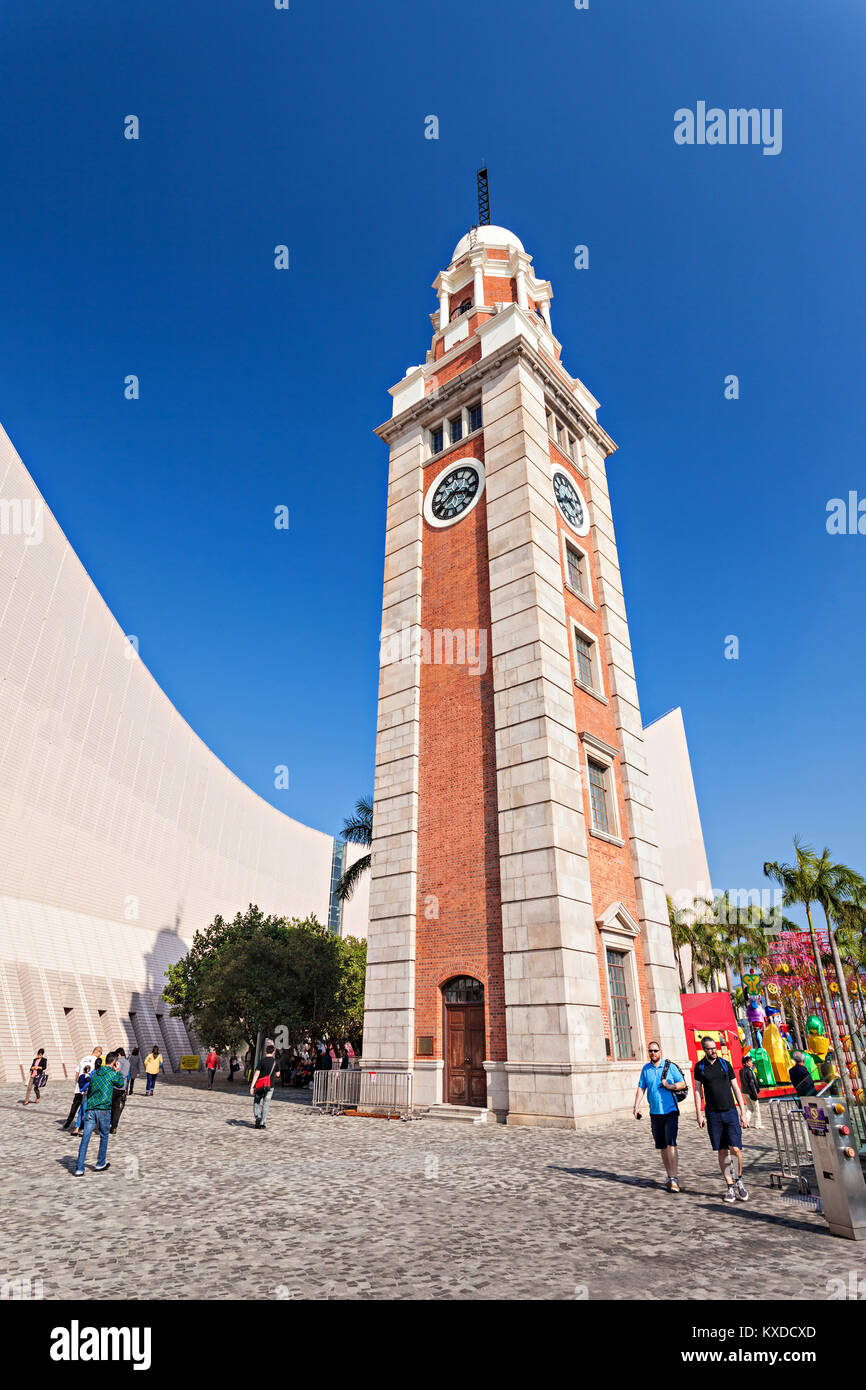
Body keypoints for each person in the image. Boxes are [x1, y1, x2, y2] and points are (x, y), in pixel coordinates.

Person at [693, 1035, 750, 1203]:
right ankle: (730, 1187)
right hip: (713, 1114)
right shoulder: (700, 1067)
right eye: (710, 1048)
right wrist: (699, 1114)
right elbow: (698, 1091)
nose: (713, 1051)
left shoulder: (726, 1064)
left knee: (736, 1149)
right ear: (704, 1050)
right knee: (722, 1150)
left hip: (730, 1112)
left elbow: (736, 1088)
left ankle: (739, 1179)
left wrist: (743, 1112)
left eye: (715, 1047)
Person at [633, 1041, 687, 1192]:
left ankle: (674, 1178)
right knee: (662, 1145)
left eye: (655, 1051)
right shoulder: (646, 1069)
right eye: (650, 1051)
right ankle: (669, 1176)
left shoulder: (669, 1067)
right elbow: (641, 1087)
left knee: (671, 1143)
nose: (653, 1053)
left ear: (660, 1051)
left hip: (670, 1111)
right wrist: (636, 1106)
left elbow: (682, 1084)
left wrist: (670, 1086)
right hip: (655, 1113)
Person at [73, 1051, 125, 1176]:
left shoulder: (95, 1073)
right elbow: (121, 1083)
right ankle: (100, 1162)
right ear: (114, 1063)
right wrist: (117, 1070)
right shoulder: (112, 1074)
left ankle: (79, 1167)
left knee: (85, 1138)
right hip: (103, 1110)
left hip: (91, 1109)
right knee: (104, 1136)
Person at [250, 1041, 281, 1129]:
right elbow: (278, 1075)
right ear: (273, 1052)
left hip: (260, 1085)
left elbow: (256, 1074)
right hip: (270, 1086)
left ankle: (258, 1116)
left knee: (256, 1101)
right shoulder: (276, 1062)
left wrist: (252, 1086)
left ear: (266, 1051)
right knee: (266, 1104)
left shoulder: (262, 1061)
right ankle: (262, 1123)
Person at [62, 1064, 92, 1131]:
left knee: (75, 1108)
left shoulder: (81, 1076)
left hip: (79, 1093)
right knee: (82, 1110)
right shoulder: (90, 1076)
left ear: (83, 1070)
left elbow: (78, 1081)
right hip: (86, 1095)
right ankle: (81, 1125)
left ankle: (69, 1122)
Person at [739, 1051, 765, 1127]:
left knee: (750, 1108)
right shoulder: (749, 1071)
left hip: (744, 1091)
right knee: (756, 1109)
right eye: (750, 1062)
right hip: (751, 1092)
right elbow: (752, 1083)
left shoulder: (741, 1071)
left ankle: (745, 1122)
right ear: (746, 1063)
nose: (752, 1063)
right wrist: (755, 1093)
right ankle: (758, 1124)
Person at [110, 1049, 128, 1133]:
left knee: (111, 1106)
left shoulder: (118, 1061)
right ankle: (114, 1126)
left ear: (119, 1054)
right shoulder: (127, 1062)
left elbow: (115, 1072)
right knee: (117, 1107)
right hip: (122, 1087)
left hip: (115, 1086)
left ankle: (109, 1123)